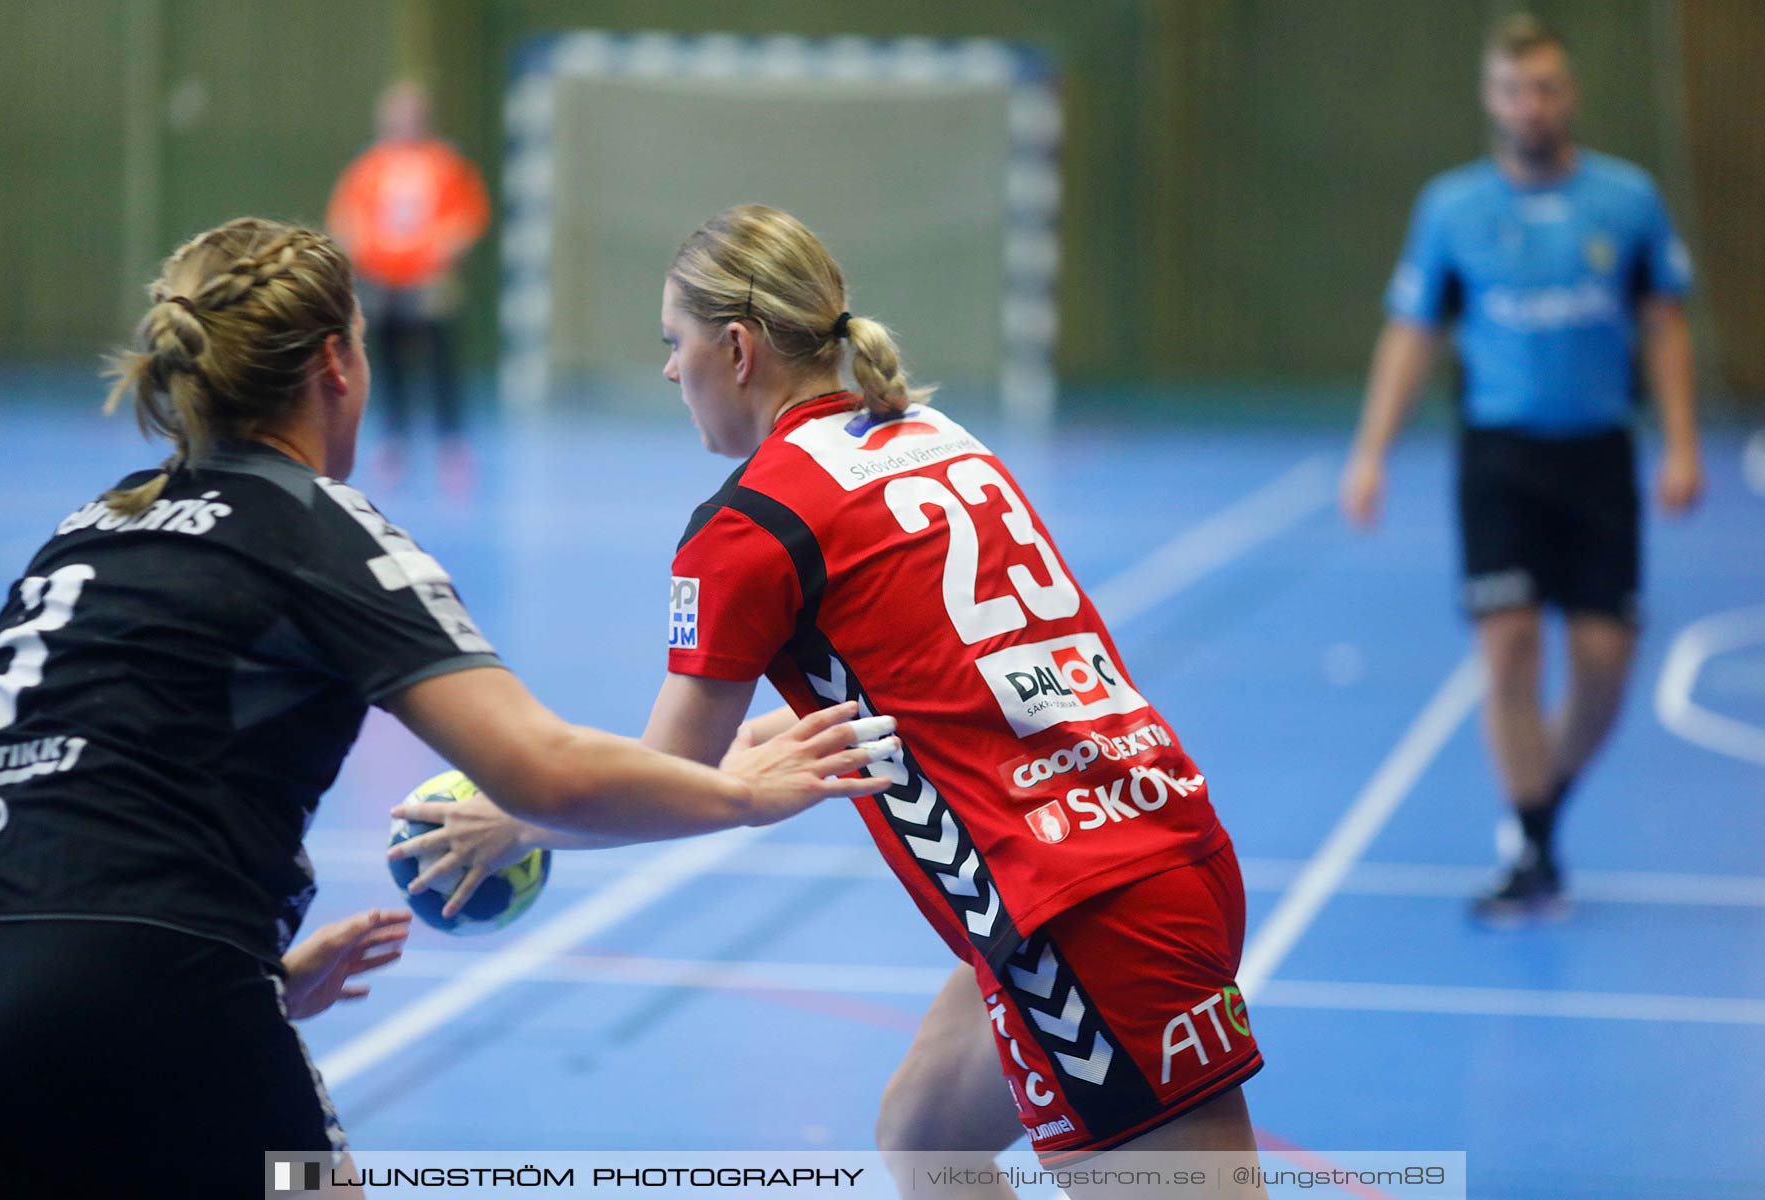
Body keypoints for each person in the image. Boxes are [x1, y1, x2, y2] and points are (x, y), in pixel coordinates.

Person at [0, 217, 896, 1198]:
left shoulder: (93, 526)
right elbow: (544, 768)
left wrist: (264, 982)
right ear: (336, 363)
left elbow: (58, 802)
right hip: (157, 974)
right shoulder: (316, 525)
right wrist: (739, 792)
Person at [391, 205, 1266, 1198]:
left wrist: (515, 822)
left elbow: (661, 783)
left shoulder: (753, 521)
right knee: (925, 1137)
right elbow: (905, 697)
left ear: (736, 347)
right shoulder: (929, 434)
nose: (671, 372)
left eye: (674, 345)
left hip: (1080, 918)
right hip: (1150, 841)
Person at [1339, 14, 1702, 924]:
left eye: (1544, 88)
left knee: (1604, 663)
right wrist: (1371, 453)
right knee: (1506, 645)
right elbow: (1413, 333)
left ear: (1567, 97)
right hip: (1500, 456)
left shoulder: (1628, 201)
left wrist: (1685, 443)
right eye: (1512, 89)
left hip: (1598, 455)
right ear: (1490, 98)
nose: (1529, 106)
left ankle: (1543, 807)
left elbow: (1663, 322)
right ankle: (1534, 848)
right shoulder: (1452, 209)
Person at [327, 80, 489, 492]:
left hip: (428, 280)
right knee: (388, 364)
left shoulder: (445, 162)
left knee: (440, 365)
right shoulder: (370, 165)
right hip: (382, 281)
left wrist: (441, 253)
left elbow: (467, 216)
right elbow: (346, 216)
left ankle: (451, 447)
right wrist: (362, 254)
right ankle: (394, 444)